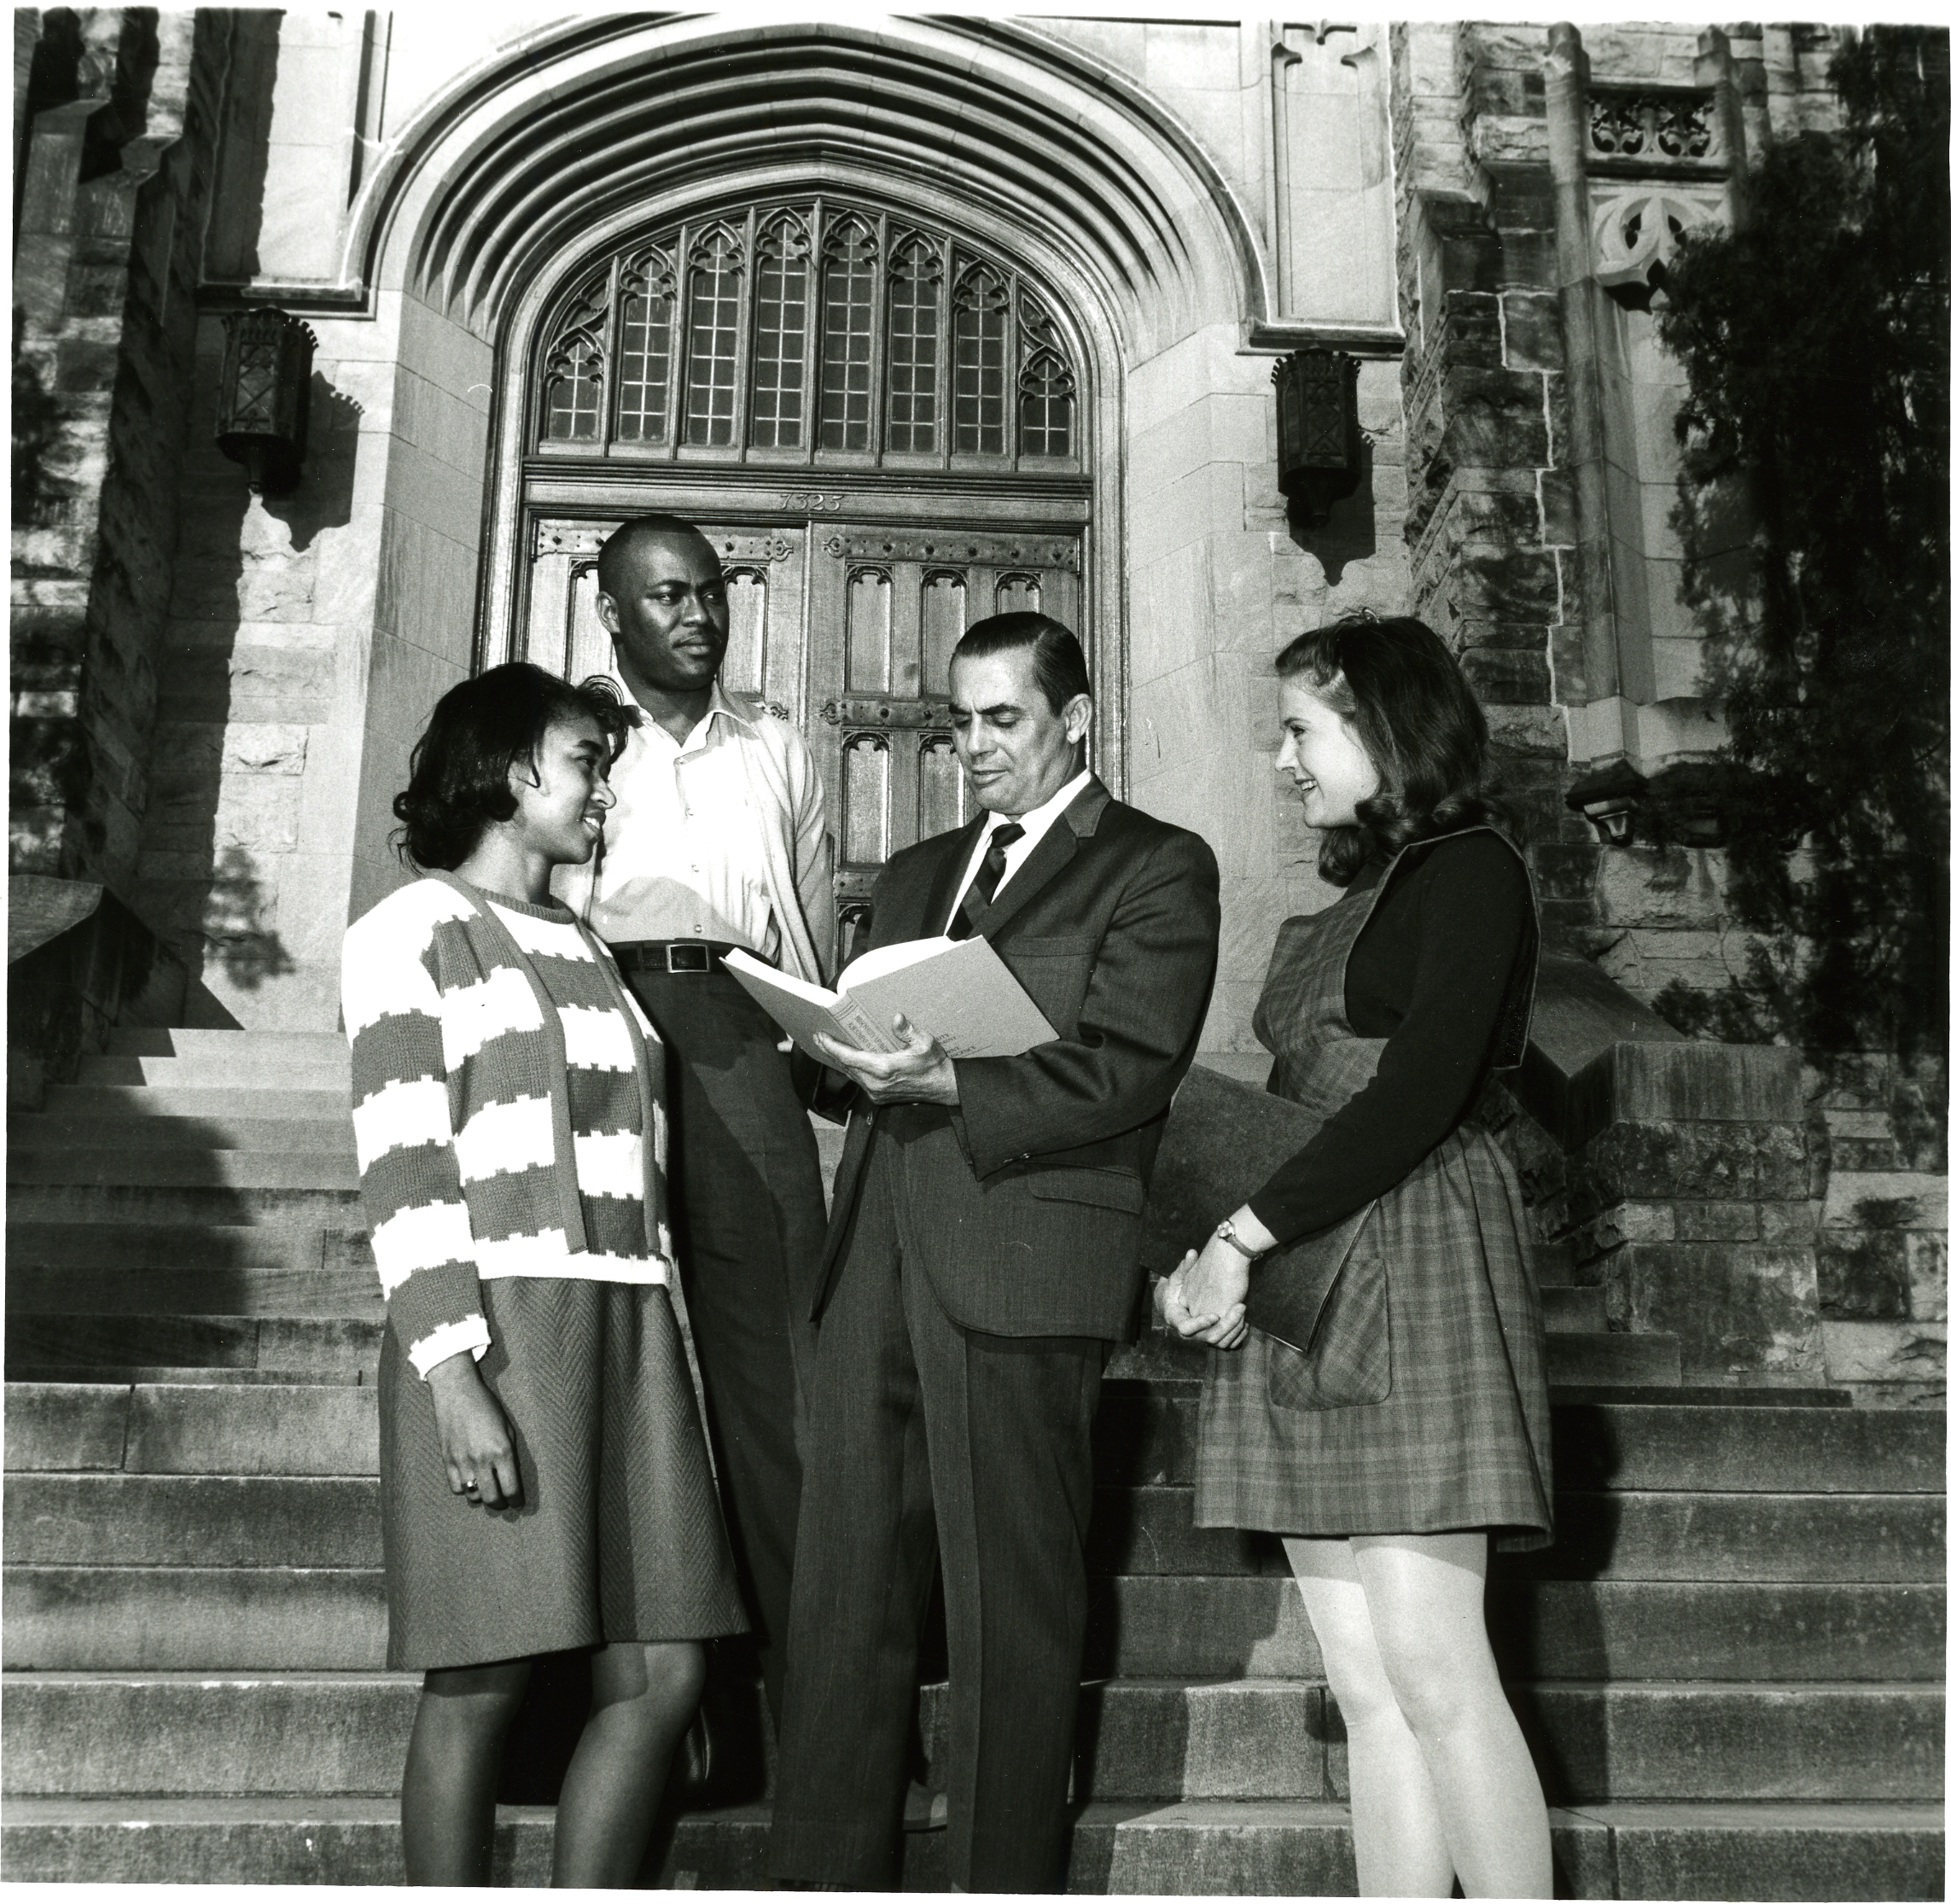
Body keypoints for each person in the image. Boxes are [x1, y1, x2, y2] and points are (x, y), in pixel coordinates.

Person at [767, 612, 1222, 1893]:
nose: (971, 745)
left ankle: (998, 1881)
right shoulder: (916, 873)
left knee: (1007, 1609)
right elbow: (877, 1048)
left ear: (1074, 719)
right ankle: (820, 1876)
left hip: (1024, 1261)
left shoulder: (1154, 866)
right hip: (877, 1254)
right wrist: (824, 1048)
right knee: (842, 1594)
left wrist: (953, 1080)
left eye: (1001, 718)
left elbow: (1130, 1066)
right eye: (957, 720)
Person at [1161, 613, 1553, 1899]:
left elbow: (1418, 1090)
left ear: (1384, 727)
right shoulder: (1361, 890)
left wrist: (1239, 1236)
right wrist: (1212, 1242)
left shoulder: (1474, 871)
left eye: (1301, 730)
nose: (1285, 761)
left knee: (1441, 1676)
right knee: (1368, 1688)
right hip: (1313, 1259)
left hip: (1416, 1241)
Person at [342, 661, 747, 1886]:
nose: (602, 794)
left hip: (626, 1324)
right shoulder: (409, 930)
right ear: (513, 774)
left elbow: (642, 1158)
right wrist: (454, 1376)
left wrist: (664, 1334)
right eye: (584, 765)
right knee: (482, 1671)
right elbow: (404, 1163)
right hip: (496, 1330)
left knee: (666, 1669)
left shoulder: (584, 942)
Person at [552, 514, 835, 1741]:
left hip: (739, 1032)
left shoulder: (776, 753)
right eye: (666, 595)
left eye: (711, 591)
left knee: (785, 1378)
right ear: (612, 612)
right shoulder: (566, 747)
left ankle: (814, 1700)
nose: (698, 613)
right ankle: (604, 1704)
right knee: (597, 1364)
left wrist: (828, 1046)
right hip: (597, 1026)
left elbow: (811, 920)